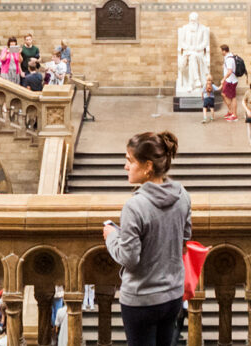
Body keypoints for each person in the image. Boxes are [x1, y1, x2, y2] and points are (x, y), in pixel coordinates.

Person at [102, 131, 189, 346]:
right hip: (172, 296)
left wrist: (112, 237)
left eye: (130, 161)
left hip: (142, 299)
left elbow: (129, 258)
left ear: (148, 166)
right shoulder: (182, 195)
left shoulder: (135, 206)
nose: (125, 167)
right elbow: (184, 241)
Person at [219, 44, 241, 120]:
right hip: (230, 80)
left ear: (224, 51)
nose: (221, 52)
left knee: (232, 97)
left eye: (221, 51)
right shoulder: (230, 57)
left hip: (230, 81)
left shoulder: (229, 59)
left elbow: (230, 71)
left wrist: (223, 79)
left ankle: (234, 114)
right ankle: (230, 111)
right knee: (224, 94)